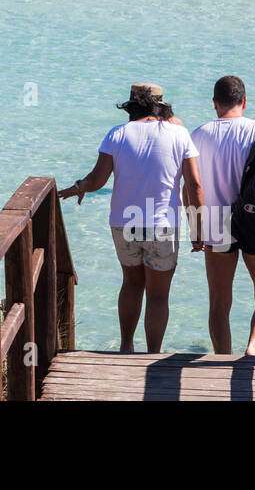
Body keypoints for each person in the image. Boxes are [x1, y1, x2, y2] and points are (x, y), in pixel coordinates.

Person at [60, 83, 204, 353]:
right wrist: (198, 229)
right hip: (162, 225)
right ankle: (152, 354)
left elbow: (97, 179)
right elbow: (194, 186)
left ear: (131, 106)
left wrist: (77, 187)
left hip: (124, 223)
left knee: (131, 283)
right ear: (160, 105)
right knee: (158, 295)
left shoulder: (117, 134)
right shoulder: (180, 134)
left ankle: (126, 347)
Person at [189, 75, 255, 355]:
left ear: (215, 103)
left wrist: (194, 229)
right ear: (244, 101)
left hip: (217, 224)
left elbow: (191, 187)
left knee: (219, 303)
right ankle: (253, 347)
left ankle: (222, 358)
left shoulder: (198, 135)